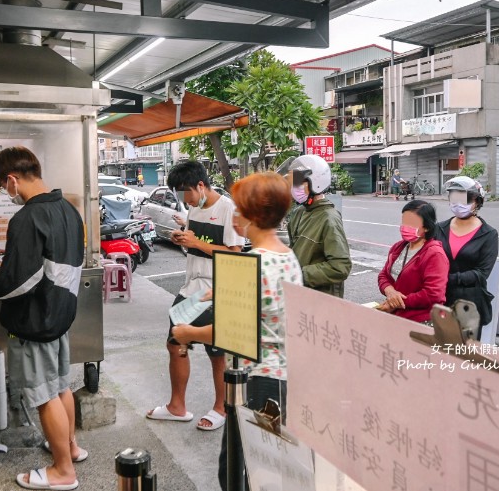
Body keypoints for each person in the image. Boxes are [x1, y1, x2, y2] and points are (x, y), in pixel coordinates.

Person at [171, 172, 302, 490]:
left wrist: (188, 333)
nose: (236, 215)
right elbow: (267, 301)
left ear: (255, 216)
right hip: (281, 376)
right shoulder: (285, 256)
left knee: (236, 471)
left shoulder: (256, 262)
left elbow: (231, 331)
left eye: (241, 209)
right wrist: (219, 291)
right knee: (263, 468)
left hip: (257, 380)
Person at [0, 146, 87, 491]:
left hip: (35, 319)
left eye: (3, 187)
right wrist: (16, 257)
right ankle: (71, 448)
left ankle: (63, 470)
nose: (7, 194)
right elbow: (54, 261)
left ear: (12, 180)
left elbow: (19, 281)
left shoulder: (27, 217)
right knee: (61, 385)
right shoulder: (68, 209)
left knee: (44, 395)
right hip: (60, 313)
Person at [146, 161, 243, 431]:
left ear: (201, 185)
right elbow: (193, 239)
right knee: (175, 340)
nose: (184, 199)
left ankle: (221, 407)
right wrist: (183, 237)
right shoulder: (194, 207)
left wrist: (197, 243)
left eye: (185, 193)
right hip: (193, 288)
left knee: (217, 352)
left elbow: (236, 255)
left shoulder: (228, 209)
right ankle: (177, 406)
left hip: (219, 287)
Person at [433, 176, 499, 338]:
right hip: (439, 299)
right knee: (437, 352)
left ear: (478, 201)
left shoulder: (488, 234)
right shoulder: (439, 228)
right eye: (454, 197)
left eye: (465, 198)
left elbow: (481, 273)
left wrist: (448, 279)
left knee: (464, 356)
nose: (458, 203)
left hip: (469, 304)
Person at [287, 154, 352, 297]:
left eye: (297, 182)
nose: (293, 188)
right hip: (300, 293)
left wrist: (299, 274)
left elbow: (340, 266)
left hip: (321, 298)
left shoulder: (329, 218)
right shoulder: (298, 213)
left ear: (315, 182)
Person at [377, 200, 449, 323]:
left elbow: (433, 294)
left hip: (421, 320)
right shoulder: (398, 247)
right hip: (397, 316)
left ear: (426, 227)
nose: (405, 227)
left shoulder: (434, 254)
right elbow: (384, 275)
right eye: (404, 222)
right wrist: (390, 291)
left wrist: (396, 303)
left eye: (412, 223)